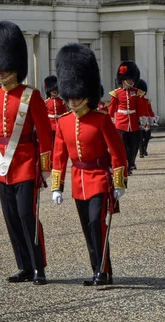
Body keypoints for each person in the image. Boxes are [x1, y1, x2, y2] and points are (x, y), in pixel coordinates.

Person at [51, 43, 128, 286]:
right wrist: (56, 186)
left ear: (87, 94)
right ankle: (98, 269)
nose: (72, 102)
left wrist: (119, 182)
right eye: (69, 97)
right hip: (78, 181)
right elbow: (59, 156)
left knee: (96, 222)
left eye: (76, 97)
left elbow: (118, 152)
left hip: (99, 179)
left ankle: (103, 271)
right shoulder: (63, 123)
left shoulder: (101, 120)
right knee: (87, 227)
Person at [0, 21, 53, 285]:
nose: (2, 73)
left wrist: (45, 167)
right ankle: (23, 266)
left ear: (15, 68)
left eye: (6, 68)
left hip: (24, 161)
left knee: (26, 214)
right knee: (11, 218)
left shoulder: (30, 96)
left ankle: (39, 267)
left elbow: (45, 135)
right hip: (3, 163)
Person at [108, 61, 147, 175]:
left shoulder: (137, 93)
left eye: (132, 79)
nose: (131, 81)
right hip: (120, 123)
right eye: (129, 79)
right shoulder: (116, 93)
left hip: (134, 123)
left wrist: (143, 120)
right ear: (123, 79)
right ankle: (123, 166)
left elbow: (141, 109)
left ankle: (130, 164)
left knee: (133, 146)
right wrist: (110, 122)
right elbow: (111, 110)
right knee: (122, 147)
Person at [135, 79, 157, 158]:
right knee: (140, 137)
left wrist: (153, 119)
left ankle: (144, 149)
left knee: (147, 137)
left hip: (146, 120)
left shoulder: (147, 101)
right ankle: (141, 152)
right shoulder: (135, 101)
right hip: (139, 120)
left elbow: (150, 111)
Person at [44, 75, 67, 140]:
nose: (55, 91)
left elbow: (65, 113)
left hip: (60, 123)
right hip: (50, 125)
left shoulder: (61, 101)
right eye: (53, 89)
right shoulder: (46, 102)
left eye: (56, 89)